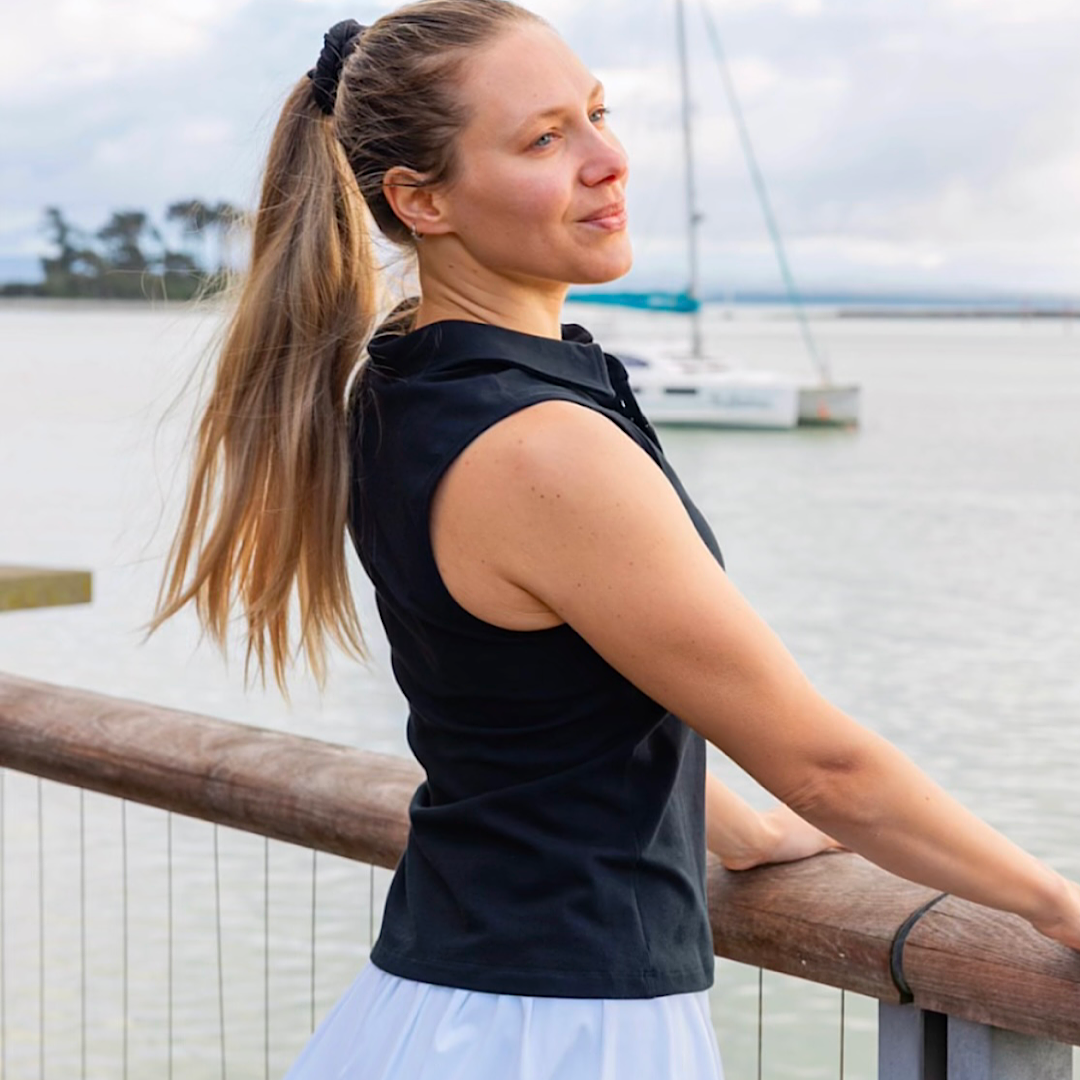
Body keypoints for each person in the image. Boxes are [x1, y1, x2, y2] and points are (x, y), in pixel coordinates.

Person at [150, 2, 1080, 1077]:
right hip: (556, 1030)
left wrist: (731, 826)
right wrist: (1055, 901)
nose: (608, 160)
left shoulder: (412, 376)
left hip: (456, 1002)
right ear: (422, 199)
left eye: (596, 113)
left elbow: (544, 693)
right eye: (545, 138)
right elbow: (827, 768)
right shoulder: (538, 446)